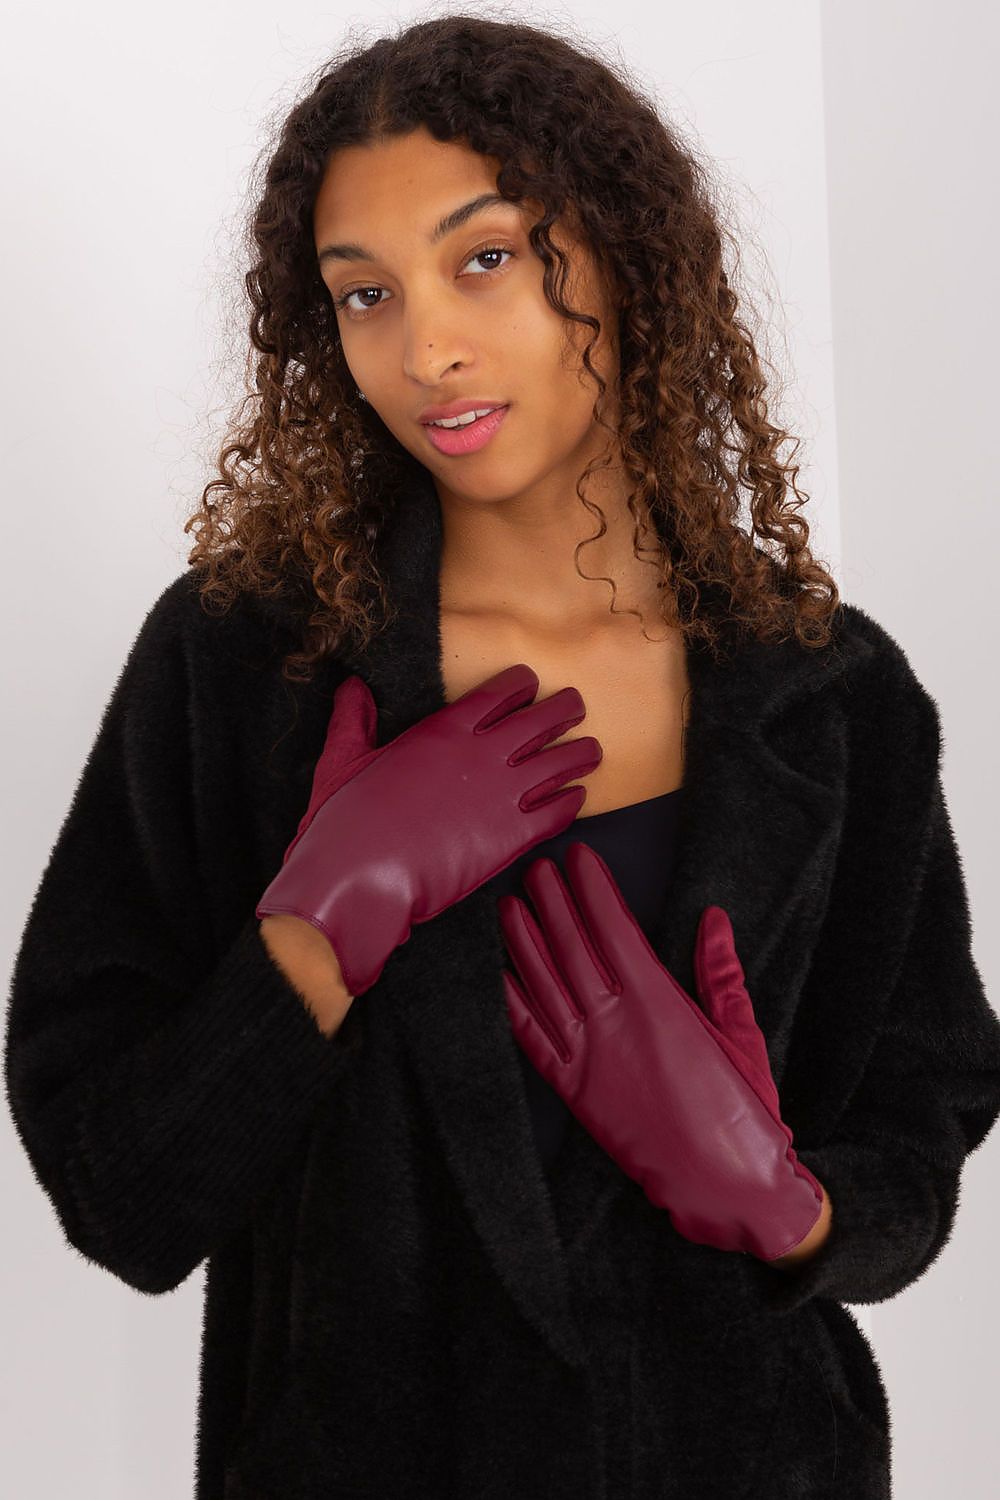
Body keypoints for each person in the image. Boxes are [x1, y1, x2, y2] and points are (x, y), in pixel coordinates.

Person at [5, 15, 1000, 1500]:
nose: (426, 351)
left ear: (625, 256)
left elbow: (921, 1127)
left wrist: (783, 1203)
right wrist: (317, 933)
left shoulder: (833, 695)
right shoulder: (246, 665)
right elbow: (122, 1201)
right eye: (364, 294)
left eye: (485, 258)